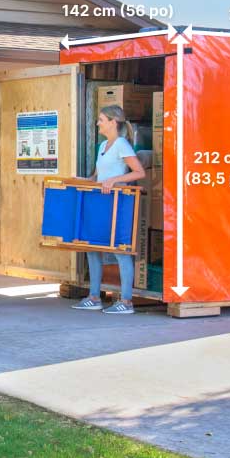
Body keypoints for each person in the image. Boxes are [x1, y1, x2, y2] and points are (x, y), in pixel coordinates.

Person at [72, 105, 146, 314]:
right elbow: (97, 177)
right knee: (92, 247)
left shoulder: (122, 144)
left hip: (119, 202)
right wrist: (85, 181)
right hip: (101, 202)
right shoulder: (103, 145)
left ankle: (126, 301)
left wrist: (115, 180)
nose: (98, 123)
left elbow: (139, 172)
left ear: (113, 122)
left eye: (101, 119)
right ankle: (94, 297)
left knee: (121, 250)